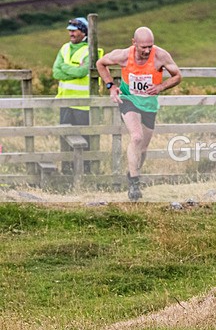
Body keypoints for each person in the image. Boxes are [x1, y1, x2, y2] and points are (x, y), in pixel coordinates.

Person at [97, 27, 182, 200]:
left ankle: (133, 171)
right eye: (143, 47)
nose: (147, 50)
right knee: (136, 137)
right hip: (129, 100)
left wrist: (161, 87)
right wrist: (111, 87)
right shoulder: (123, 55)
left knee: (142, 148)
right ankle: (134, 184)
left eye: (150, 46)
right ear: (133, 42)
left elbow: (177, 76)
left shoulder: (160, 55)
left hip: (149, 104)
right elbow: (101, 63)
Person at [53, 17, 101, 173]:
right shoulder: (64, 48)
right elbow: (55, 72)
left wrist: (65, 68)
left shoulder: (92, 51)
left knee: (85, 141)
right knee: (65, 138)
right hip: (65, 102)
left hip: (84, 105)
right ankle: (67, 171)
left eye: (74, 30)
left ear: (84, 32)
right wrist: (72, 71)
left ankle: (87, 172)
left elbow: (82, 72)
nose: (71, 33)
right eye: (69, 31)